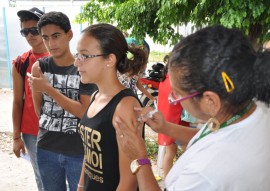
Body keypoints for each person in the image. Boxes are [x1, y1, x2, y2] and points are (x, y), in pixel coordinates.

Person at [114, 25, 270, 190]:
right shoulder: (253, 109)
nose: (173, 100)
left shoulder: (207, 171)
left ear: (210, 101)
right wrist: (166, 127)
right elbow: (210, 136)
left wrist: (140, 159)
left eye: (178, 94)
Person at [28, 11, 97, 191]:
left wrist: (50, 90)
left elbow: (85, 113)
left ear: (69, 35)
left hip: (78, 151)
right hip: (46, 148)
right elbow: (40, 111)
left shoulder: (82, 68)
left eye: (56, 36)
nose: (51, 43)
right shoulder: (40, 68)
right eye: (46, 38)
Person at [74, 23, 146, 190]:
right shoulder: (95, 96)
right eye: (77, 54)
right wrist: (80, 186)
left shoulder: (125, 106)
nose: (77, 62)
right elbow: (90, 153)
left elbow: (130, 180)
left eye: (84, 55)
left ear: (109, 60)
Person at [12, 7, 49, 191]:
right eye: (24, 31)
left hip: (61, 131)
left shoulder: (61, 59)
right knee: (42, 176)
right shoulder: (20, 62)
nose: (29, 36)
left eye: (34, 30)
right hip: (32, 132)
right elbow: (18, 101)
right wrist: (16, 137)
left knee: (67, 175)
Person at [156, 57, 190, 179]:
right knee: (189, 153)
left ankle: (167, 182)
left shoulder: (164, 79)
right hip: (178, 123)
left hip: (166, 122)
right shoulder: (177, 82)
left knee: (169, 153)